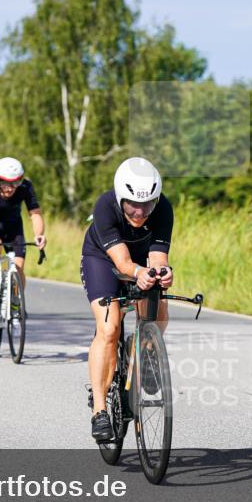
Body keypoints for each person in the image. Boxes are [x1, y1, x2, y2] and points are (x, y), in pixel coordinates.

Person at [80, 157, 174, 441]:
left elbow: (158, 257)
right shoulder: (104, 207)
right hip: (103, 260)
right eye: (132, 204)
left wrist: (163, 272)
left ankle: (142, 348)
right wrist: (138, 272)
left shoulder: (164, 209)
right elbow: (122, 262)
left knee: (158, 313)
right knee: (109, 328)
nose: (140, 211)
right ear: (120, 197)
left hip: (139, 261)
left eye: (147, 205)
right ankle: (99, 411)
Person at [0, 157, 46, 316]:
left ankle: (15, 304)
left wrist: (39, 234)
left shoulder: (26, 187)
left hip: (14, 227)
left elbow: (35, 215)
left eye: (15, 183)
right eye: (6, 183)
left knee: (18, 266)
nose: (10, 188)